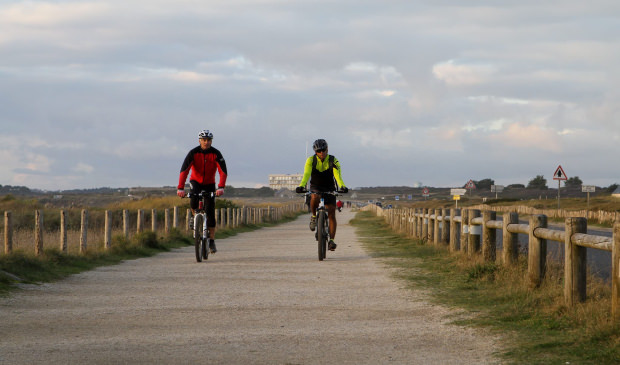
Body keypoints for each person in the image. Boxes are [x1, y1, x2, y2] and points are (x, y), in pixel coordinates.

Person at [177, 129, 228, 253]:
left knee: (210, 212)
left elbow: (223, 171)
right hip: (196, 182)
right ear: (199, 141)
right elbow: (184, 170)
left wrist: (221, 187)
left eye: (209, 140)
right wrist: (180, 188)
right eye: (204, 140)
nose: (206, 142)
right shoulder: (193, 153)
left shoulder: (216, 154)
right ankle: (194, 217)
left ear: (211, 141)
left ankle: (211, 241)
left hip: (210, 184)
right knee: (193, 202)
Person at [295, 139, 347, 251]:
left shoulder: (333, 160)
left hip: (329, 187)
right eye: (319, 151)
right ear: (315, 151)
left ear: (327, 149)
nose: (321, 153)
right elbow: (306, 174)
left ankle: (332, 241)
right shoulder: (310, 160)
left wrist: (342, 186)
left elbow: (337, 175)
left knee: (332, 212)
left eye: (323, 150)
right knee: (314, 197)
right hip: (316, 186)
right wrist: (301, 186)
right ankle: (314, 216)